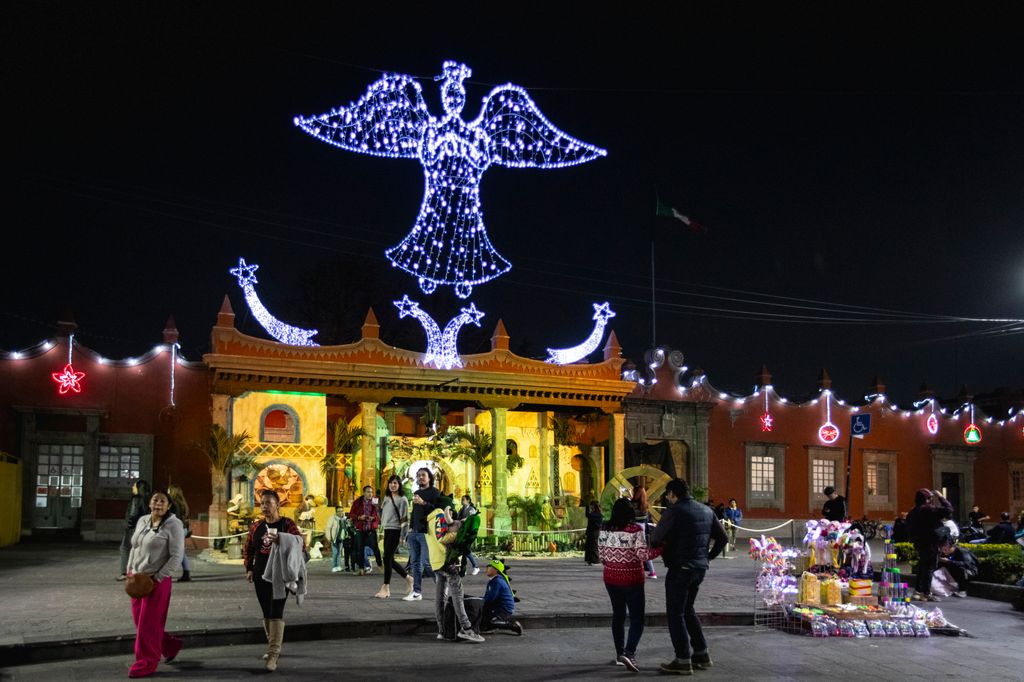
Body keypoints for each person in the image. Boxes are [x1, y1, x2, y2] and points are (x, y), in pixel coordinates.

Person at [651, 478, 728, 675]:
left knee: (675, 613)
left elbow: (656, 538)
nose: (668, 499)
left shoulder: (674, 511)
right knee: (687, 609)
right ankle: (701, 653)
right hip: (699, 568)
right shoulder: (706, 510)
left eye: (668, 495)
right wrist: (708, 557)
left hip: (680, 567)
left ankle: (683, 659)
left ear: (672, 494)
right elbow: (723, 538)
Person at [125, 489, 185, 678]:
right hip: (137, 579)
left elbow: (177, 556)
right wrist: (129, 571)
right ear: (149, 503)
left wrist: (157, 578)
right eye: (155, 500)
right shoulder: (143, 520)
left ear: (168, 505)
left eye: (162, 501)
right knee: (140, 622)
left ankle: (146, 662)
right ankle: (170, 645)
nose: (158, 504)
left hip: (157, 581)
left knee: (147, 625)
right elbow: (134, 547)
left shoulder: (174, 525)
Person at [599, 497, 662, 672]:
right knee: (637, 618)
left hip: (611, 578)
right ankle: (630, 652)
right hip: (632, 579)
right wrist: (660, 549)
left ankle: (620, 654)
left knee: (618, 616)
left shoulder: (605, 528)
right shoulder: (635, 529)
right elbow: (643, 555)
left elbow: (601, 555)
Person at [244, 489, 303, 672]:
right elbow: (248, 548)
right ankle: (273, 647)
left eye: (268, 503)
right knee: (266, 612)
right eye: (262, 503)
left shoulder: (287, 524)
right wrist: (249, 568)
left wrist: (282, 539)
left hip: (281, 575)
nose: (264, 506)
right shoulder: (256, 526)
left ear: (278, 504)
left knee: (276, 610)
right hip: (261, 573)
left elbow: (300, 543)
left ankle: (273, 655)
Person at [434, 504, 484, 642]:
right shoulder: (455, 527)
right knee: (457, 596)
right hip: (451, 564)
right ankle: (466, 628)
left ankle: (442, 631)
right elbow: (450, 539)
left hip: (438, 562)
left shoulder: (433, 522)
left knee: (440, 597)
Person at [905, 488, 954, 602]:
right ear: (927, 499)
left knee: (922, 566)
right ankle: (926, 593)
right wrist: (941, 497)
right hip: (931, 543)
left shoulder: (913, 512)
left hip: (920, 543)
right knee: (930, 568)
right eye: (930, 498)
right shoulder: (928, 509)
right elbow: (948, 510)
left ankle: (918, 591)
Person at [403, 467, 439, 601]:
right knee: (415, 564)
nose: (420, 478)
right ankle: (417, 592)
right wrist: (410, 529)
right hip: (415, 532)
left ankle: (441, 585)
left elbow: (437, 510)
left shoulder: (435, 493)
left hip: (427, 533)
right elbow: (415, 513)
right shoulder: (416, 492)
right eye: (418, 476)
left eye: (423, 475)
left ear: (429, 477)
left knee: (426, 562)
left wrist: (423, 503)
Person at [376, 475, 412, 598]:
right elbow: (382, 512)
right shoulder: (386, 497)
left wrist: (403, 535)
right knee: (388, 558)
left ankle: (386, 587)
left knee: (387, 557)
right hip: (387, 529)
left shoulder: (403, 499)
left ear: (399, 484)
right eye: (391, 483)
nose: (393, 485)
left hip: (396, 530)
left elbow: (404, 518)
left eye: (395, 483)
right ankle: (408, 578)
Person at [481, 558, 523, 636]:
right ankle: (489, 627)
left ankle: (513, 625)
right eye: (487, 567)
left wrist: (480, 602)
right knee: (482, 615)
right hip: (497, 606)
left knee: (492, 621)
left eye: (490, 567)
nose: (487, 569)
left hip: (504, 608)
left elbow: (490, 598)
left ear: (496, 571)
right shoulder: (493, 581)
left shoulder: (497, 582)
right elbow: (487, 597)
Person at [119, 479, 151, 580]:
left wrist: (128, 526)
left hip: (133, 528)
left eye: (134, 486)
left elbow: (133, 514)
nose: (132, 487)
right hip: (144, 528)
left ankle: (125, 572)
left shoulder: (136, 499)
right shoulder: (149, 498)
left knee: (125, 548)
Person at [350, 485, 382, 576]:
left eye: (371, 492)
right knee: (359, 550)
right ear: (364, 493)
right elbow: (351, 514)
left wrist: (373, 517)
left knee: (376, 549)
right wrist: (359, 517)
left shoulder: (374, 502)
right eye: (368, 492)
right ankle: (361, 569)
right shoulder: (357, 502)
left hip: (371, 529)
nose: (370, 494)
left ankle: (380, 566)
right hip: (360, 529)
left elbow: (378, 516)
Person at [167, 484, 192, 582]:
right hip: (183, 528)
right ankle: (186, 573)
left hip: (178, 529)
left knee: (177, 552)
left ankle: (184, 574)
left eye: (169, 490)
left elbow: (174, 518)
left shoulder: (174, 504)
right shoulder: (182, 503)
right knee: (181, 552)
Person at [630, 485, 657, 579]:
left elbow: (630, 516)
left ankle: (635, 572)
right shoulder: (645, 505)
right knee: (644, 551)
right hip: (642, 529)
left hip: (633, 528)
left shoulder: (632, 504)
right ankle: (652, 572)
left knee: (632, 551)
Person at [459, 495, 482, 575]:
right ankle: (463, 569)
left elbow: (473, 517)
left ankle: (476, 567)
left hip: (469, 533)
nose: (462, 501)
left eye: (463, 499)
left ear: (468, 500)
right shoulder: (461, 509)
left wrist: (465, 520)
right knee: (464, 551)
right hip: (462, 533)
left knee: (466, 550)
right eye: (461, 499)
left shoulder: (471, 509)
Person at [326, 506, 352, 573]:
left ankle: (338, 566)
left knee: (339, 553)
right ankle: (334, 566)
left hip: (341, 538)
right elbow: (328, 528)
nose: (340, 512)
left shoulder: (345, 519)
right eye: (338, 511)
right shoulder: (332, 518)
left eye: (342, 511)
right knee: (335, 552)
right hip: (334, 538)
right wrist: (328, 537)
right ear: (336, 512)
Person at [584, 500, 603, 565]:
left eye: (592, 506)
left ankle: (596, 560)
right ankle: (589, 560)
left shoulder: (597, 514)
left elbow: (588, 515)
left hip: (595, 532)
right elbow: (588, 515)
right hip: (591, 532)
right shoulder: (595, 514)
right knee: (589, 546)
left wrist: (587, 507)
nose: (591, 507)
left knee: (594, 546)